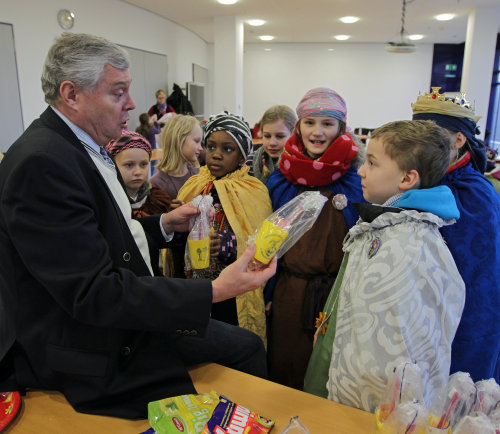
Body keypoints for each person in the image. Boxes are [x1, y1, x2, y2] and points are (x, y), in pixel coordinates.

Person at [0, 32, 276, 420]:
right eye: (118, 92)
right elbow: (92, 291)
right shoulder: (42, 163)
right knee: (242, 349)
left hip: (107, 320)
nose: (132, 104)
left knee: (244, 346)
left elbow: (93, 241)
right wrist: (212, 290)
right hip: (85, 346)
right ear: (71, 94)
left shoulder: (72, 146)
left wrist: (161, 224)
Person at [303, 120, 465, 412]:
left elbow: (393, 343)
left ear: (407, 179)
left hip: (366, 399)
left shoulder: (410, 242)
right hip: (337, 349)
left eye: (373, 163)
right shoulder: (383, 225)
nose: (361, 171)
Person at [265, 87, 365, 390]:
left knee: (328, 376)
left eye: (327, 124)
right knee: (283, 371)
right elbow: (269, 240)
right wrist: (267, 293)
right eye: (310, 122)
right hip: (288, 293)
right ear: (299, 126)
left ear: (341, 129)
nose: (317, 132)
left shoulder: (356, 178)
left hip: (336, 294)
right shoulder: (281, 177)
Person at [411, 87, 500, 383]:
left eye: (430, 133)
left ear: (458, 140)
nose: (420, 142)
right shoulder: (425, 180)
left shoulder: (475, 192)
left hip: (466, 316)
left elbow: (475, 271)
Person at [177, 111, 273, 345]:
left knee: (229, 343)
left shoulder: (253, 190)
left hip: (231, 293)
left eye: (227, 149)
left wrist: (228, 244)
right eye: (211, 147)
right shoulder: (194, 183)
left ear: (242, 156)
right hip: (195, 286)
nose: (216, 155)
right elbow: (176, 235)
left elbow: (260, 243)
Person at [150, 114, 202, 202]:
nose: (201, 148)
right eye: (197, 141)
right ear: (179, 140)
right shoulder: (157, 183)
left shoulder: (199, 175)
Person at [246, 105, 297, 184]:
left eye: (280, 136)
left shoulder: (301, 164)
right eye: (267, 136)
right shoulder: (250, 162)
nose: (272, 143)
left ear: (293, 135)